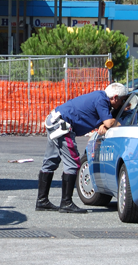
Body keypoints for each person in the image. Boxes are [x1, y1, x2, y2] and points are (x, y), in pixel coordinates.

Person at [36, 83, 129, 213]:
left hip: (54, 120)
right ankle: (66, 203)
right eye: (123, 100)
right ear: (115, 97)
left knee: (50, 161)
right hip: (63, 126)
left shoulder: (99, 96)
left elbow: (106, 121)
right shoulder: (102, 100)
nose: (123, 103)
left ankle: (42, 201)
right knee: (73, 163)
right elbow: (109, 122)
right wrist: (115, 123)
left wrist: (106, 124)